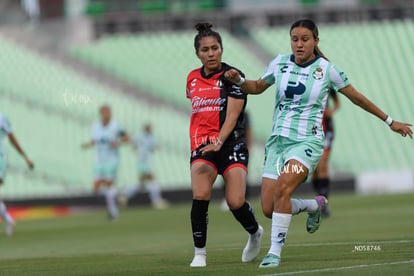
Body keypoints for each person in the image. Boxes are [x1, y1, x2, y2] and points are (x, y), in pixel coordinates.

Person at [224, 19, 412, 268]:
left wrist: (389, 121)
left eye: (305, 39)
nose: (299, 44)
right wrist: (239, 80)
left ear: (315, 41)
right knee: (269, 209)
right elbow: (257, 87)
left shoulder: (326, 69)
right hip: (277, 144)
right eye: (295, 39)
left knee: (283, 188)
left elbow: (357, 98)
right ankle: (313, 205)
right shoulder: (279, 62)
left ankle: (274, 253)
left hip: (306, 143)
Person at [187, 23, 263, 267]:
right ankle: (200, 253)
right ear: (197, 53)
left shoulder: (232, 76)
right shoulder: (192, 79)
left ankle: (254, 232)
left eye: (215, 48)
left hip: (231, 145)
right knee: (200, 195)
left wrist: (219, 142)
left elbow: (232, 117)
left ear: (222, 49)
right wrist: (206, 142)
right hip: (203, 147)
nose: (211, 53)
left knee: (235, 202)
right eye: (205, 50)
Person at [82, 105, 129, 220]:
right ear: (101, 114)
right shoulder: (96, 126)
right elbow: (95, 140)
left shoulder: (116, 125)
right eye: (104, 112)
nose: (106, 114)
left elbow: (126, 138)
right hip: (99, 160)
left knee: (108, 183)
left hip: (112, 159)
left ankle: (113, 212)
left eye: (108, 112)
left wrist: (117, 143)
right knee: (96, 186)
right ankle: (118, 195)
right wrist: (88, 145)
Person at [0, 112, 34, 236]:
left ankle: (8, 220)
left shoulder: (2, 118)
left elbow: (13, 140)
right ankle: (9, 220)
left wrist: (25, 157)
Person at [120, 123, 168, 209]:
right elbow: (132, 142)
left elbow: (152, 148)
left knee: (141, 185)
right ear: (146, 128)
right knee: (152, 179)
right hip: (143, 162)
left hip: (146, 162)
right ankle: (156, 201)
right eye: (148, 127)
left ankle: (125, 194)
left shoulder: (151, 137)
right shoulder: (140, 135)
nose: (149, 129)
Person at [312, 88, 339, 217]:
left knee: (322, 164)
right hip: (312, 130)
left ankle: (323, 204)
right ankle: (319, 198)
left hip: (326, 130)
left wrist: (331, 111)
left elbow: (337, 102)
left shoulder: (328, 87)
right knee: (314, 169)